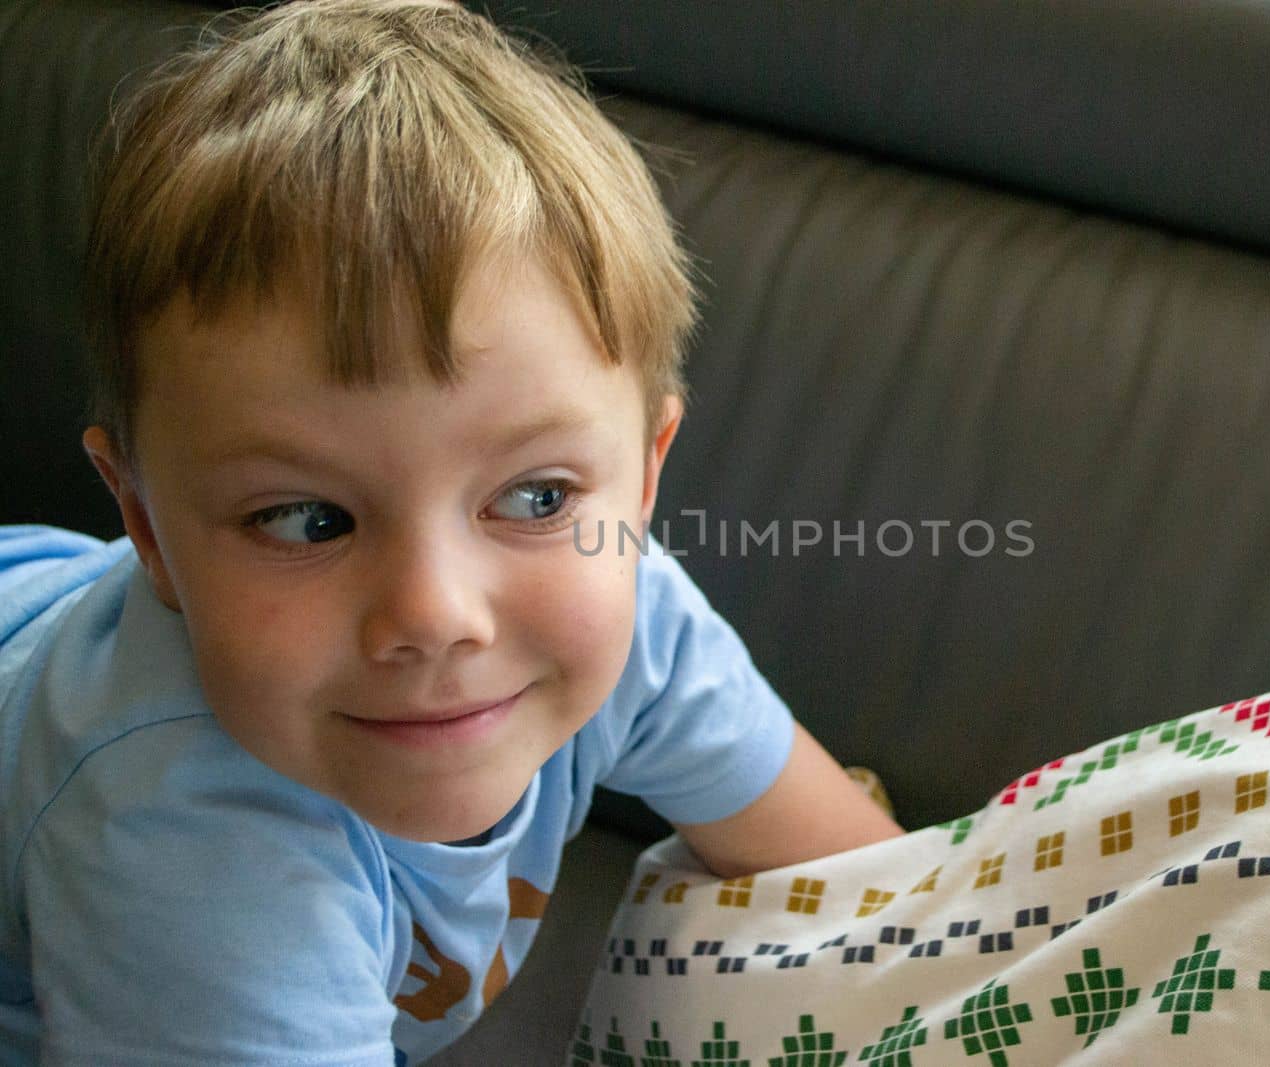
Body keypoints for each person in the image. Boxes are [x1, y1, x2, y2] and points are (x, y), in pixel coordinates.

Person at [0, 2, 902, 1062]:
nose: (433, 613)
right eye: (306, 518)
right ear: (146, 527)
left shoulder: (628, 610)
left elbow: (882, 901)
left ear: (646, 474)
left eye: (534, 498)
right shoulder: (186, 845)